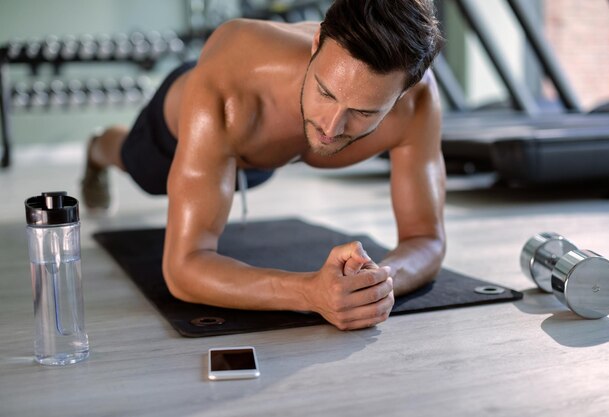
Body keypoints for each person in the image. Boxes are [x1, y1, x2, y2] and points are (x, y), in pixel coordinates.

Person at [81, 0, 446, 331]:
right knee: (137, 165)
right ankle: (100, 146)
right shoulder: (233, 81)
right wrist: (310, 293)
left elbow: (425, 238)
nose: (331, 127)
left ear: (403, 92)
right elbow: (183, 268)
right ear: (317, 42)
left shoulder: (419, 104)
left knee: (252, 167)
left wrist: (379, 282)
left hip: (259, 153)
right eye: (325, 91)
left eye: (363, 112)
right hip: (186, 124)